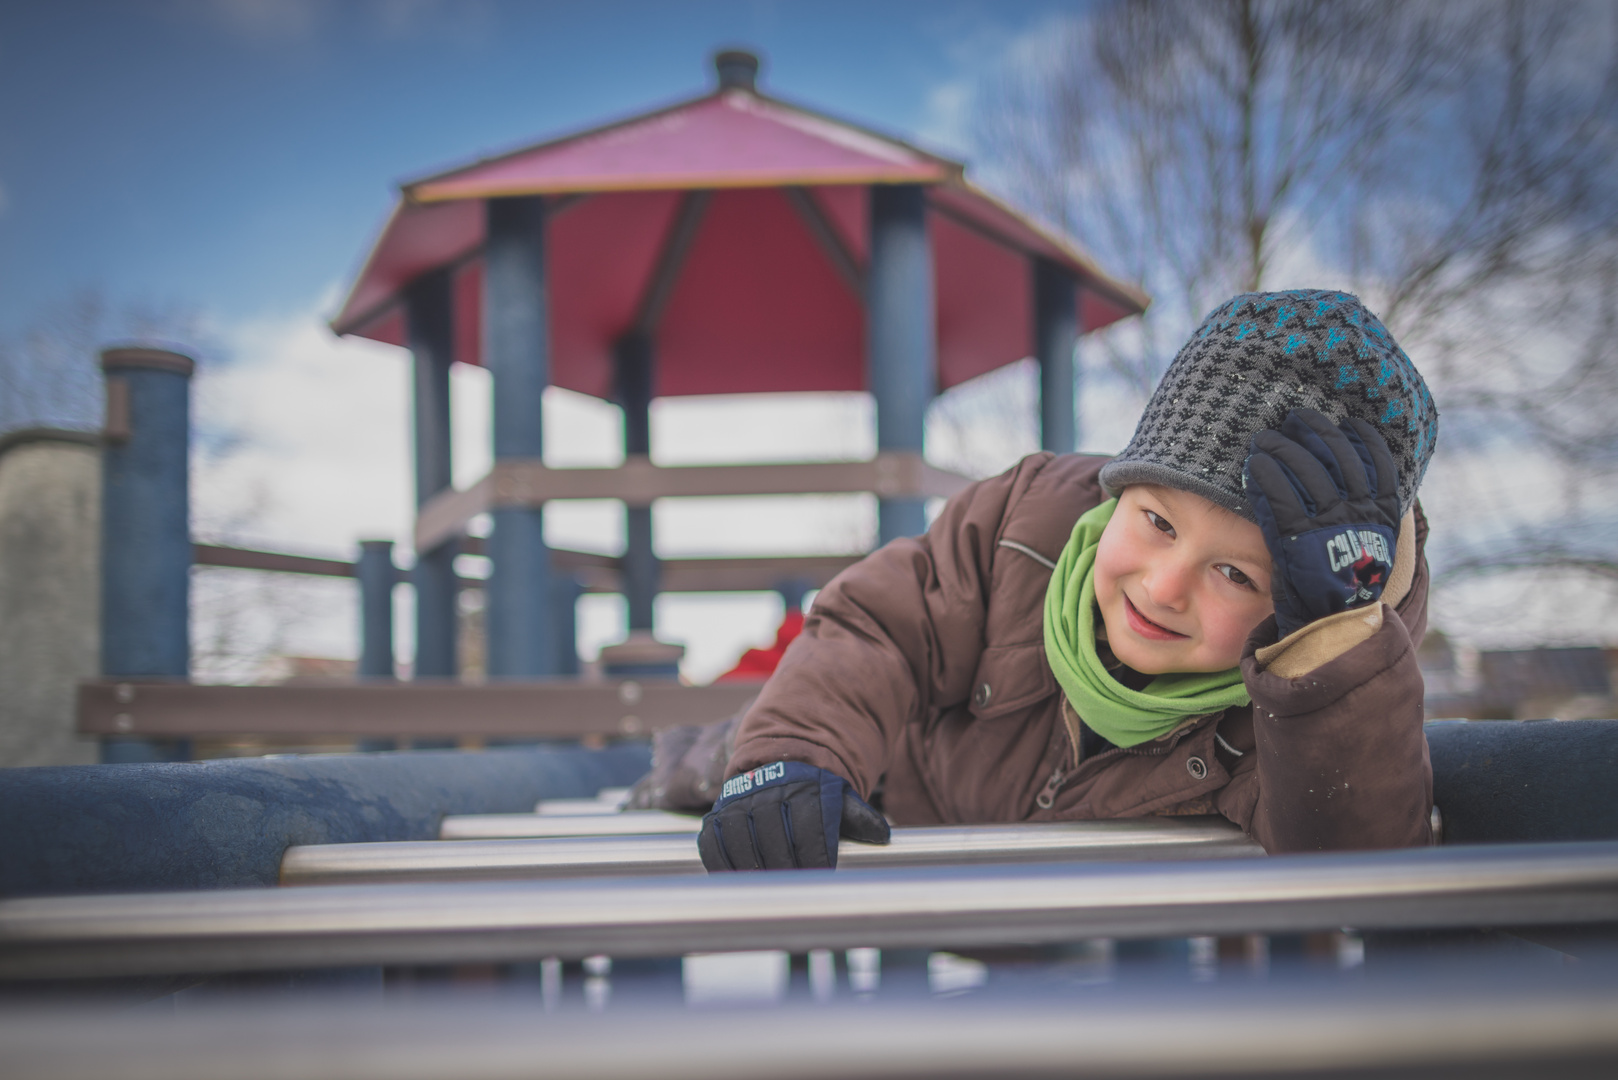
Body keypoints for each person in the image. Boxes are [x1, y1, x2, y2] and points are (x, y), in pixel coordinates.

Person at [694, 290, 1440, 870]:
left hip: (1080, 944)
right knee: (715, 762)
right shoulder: (1025, 526)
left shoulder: (1287, 712)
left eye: (1234, 573)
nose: (1163, 586)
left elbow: (1357, 864)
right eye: (1158, 522)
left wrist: (1329, 653)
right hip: (889, 808)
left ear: (1298, 601)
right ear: (1120, 491)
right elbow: (880, 627)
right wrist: (792, 756)